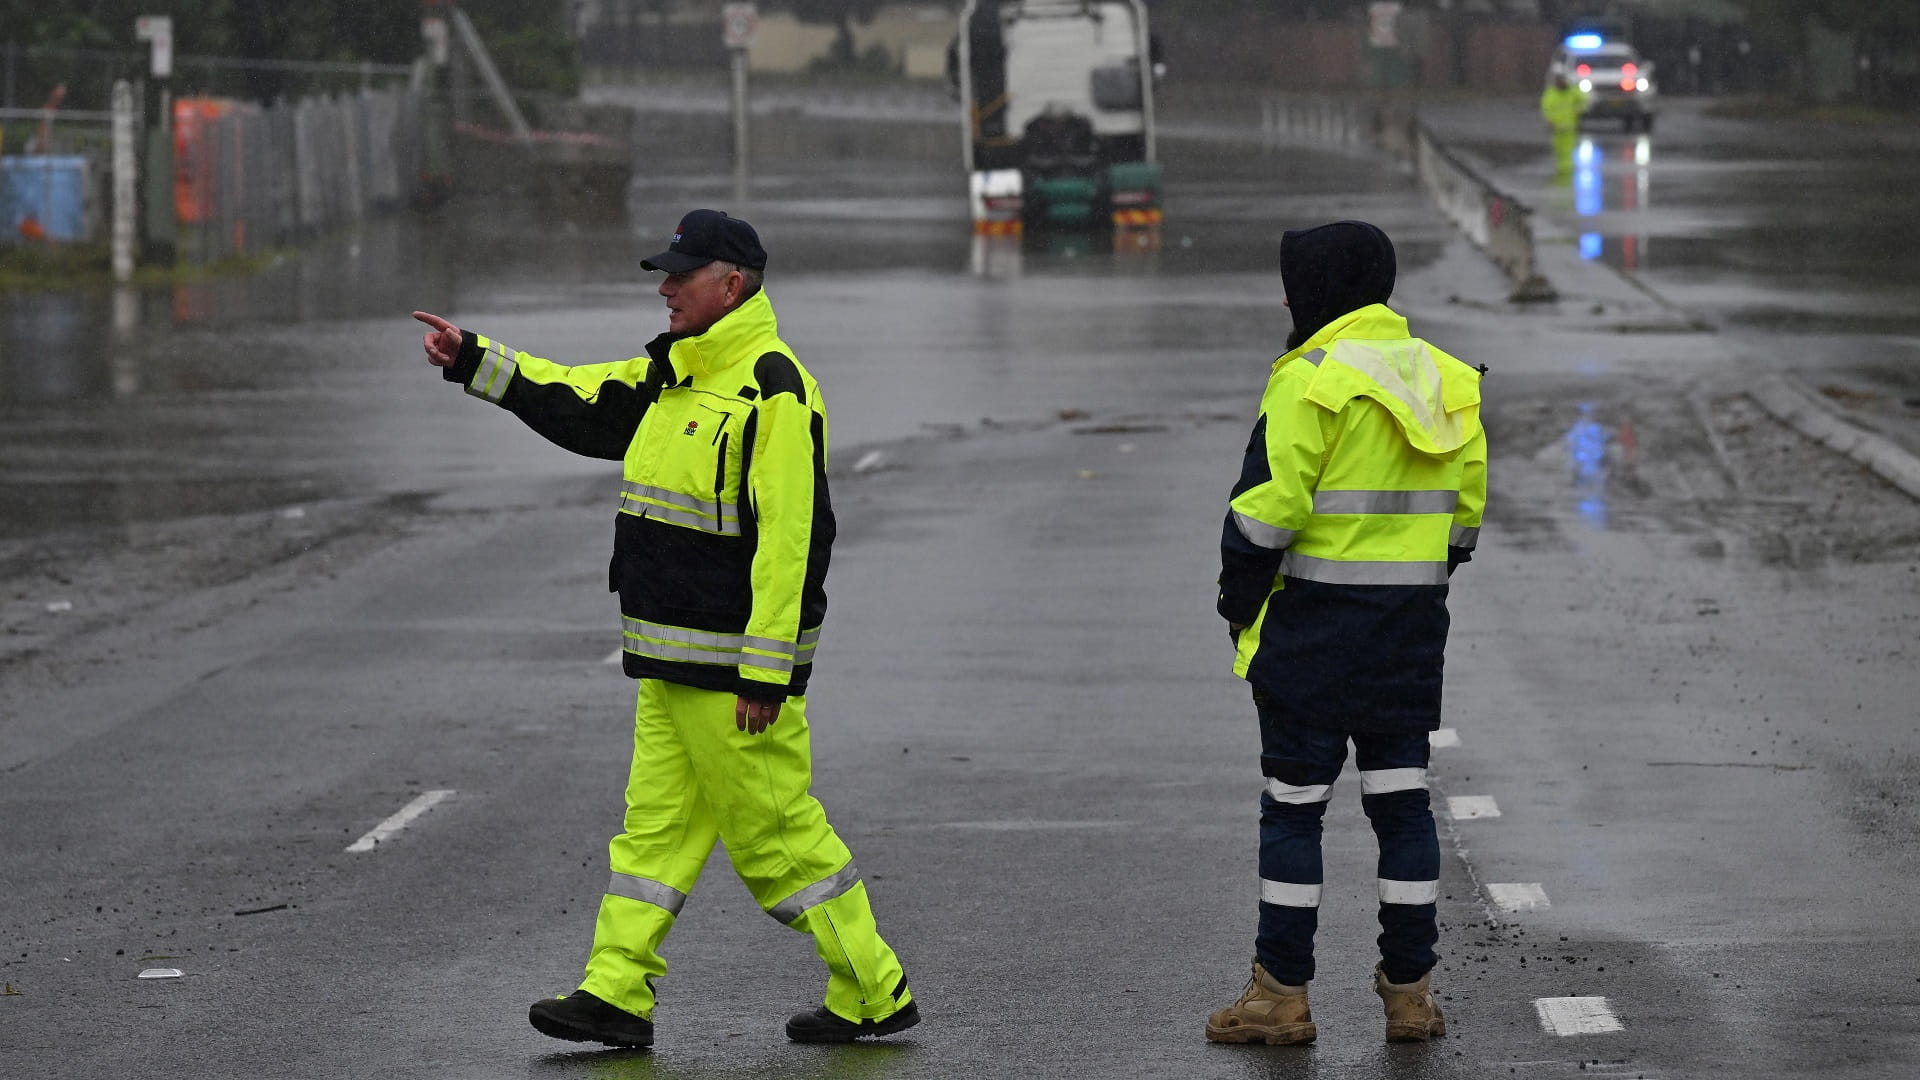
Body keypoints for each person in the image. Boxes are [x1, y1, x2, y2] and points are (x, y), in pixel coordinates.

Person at [412, 209, 918, 1049]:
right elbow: (580, 399)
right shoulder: (676, 371)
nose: (665, 288)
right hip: (668, 658)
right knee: (652, 835)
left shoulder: (773, 386)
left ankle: (874, 985)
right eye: (665, 274)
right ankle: (615, 993)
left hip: (730, 675)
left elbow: (792, 538)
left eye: (680, 276)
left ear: (733, 283)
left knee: (777, 845)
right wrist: (475, 360)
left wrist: (767, 672)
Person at [1205, 221, 1486, 1046]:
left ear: (1323, 288)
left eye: (1294, 281)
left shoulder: (1310, 379)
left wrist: (1236, 599)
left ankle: (1280, 998)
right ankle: (1410, 998)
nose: (1287, 297)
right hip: (1407, 637)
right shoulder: (1447, 379)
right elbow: (1463, 527)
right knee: (1403, 809)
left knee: (1294, 809)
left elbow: (1266, 515)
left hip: (1311, 638)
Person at [1541, 73, 1588, 182]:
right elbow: (1546, 108)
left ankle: (1567, 171)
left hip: (1569, 127)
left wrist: (1579, 111)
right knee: (1558, 149)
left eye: (1562, 81)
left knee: (1568, 150)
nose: (1560, 83)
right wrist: (1549, 120)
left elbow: (1584, 101)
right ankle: (1561, 169)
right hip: (1556, 128)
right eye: (1558, 81)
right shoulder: (1551, 94)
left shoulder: (1572, 92)